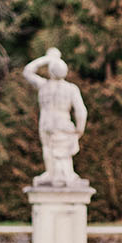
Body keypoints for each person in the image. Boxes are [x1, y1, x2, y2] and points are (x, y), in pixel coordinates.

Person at [23, 48, 88, 187]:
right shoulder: (71, 88)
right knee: (62, 150)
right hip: (62, 122)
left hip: (46, 122)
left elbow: (27, 71)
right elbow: (81, 111)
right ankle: (59, 175)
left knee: (48, 148)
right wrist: (79, 129)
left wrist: (47, 59)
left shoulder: (44, 86)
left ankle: (54, 174)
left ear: (50, 71)